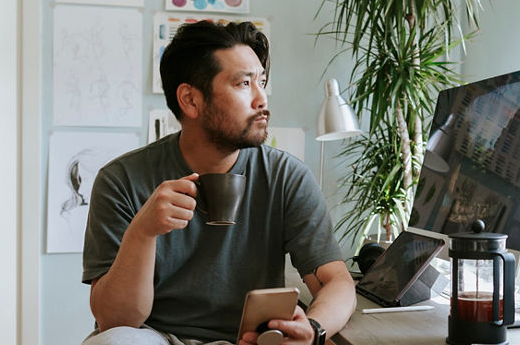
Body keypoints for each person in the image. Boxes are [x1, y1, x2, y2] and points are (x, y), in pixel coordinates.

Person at [81, 21, 355, 345]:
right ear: (190, 100)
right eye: (243, 84)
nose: (261, 99)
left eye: (262, 82)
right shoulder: (121, 180)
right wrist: (143, 232)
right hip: (155, 338)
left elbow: (335, 281)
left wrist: (314, 329)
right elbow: (114, 321)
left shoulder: (286, 177)